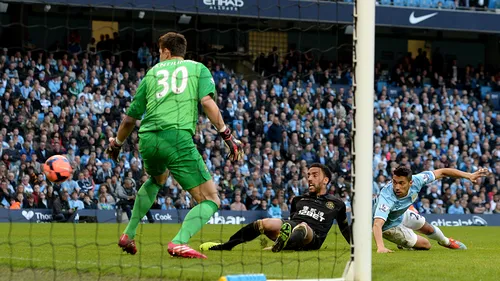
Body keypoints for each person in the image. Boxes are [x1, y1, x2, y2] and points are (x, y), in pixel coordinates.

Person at [106, 32, 243, 259]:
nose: (159, 55)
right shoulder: (198, 69)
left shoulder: (151, 74)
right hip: (176, 137)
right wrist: (227, 136)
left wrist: (117, 144)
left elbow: (130, 119)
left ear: (167, 52)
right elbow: (207, 102)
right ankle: (179, 242)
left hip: (148, 139)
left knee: (157, 179)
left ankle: (128, 234)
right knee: (210, 199)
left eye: (159, 51)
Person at [199, 163, 351, 252]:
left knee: (303, 226)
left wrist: (355, 246)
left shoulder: (337, 204)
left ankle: (282, 245)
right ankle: (227, 246)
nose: (309, 178)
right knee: (265, 222)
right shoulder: (298, 199)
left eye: (314, 175)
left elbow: (344, 228)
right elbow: (291, 220)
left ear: (325, 180)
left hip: (313, 238)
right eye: (308, 175)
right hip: (293, 227)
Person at [373, 166, 490, 253]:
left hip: (400, 213)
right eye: (394, 182)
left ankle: (446, 242)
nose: (397, 187)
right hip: (388, 226)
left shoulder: (418, 180)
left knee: (427, 227)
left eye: (401, 183)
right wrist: (381, 247)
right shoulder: (387, 197)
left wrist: (468, 175)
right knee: (426, 245)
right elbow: (377, 224)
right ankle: (406, 243)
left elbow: (442, 172)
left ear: (410, 182)